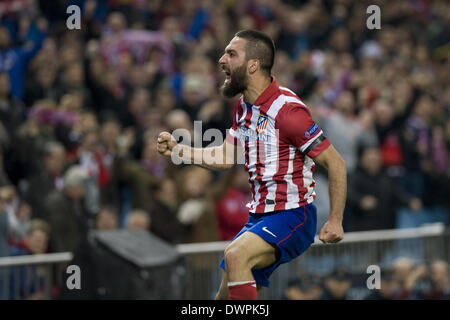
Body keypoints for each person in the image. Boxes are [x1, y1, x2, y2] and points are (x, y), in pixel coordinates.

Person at [157, 29, 347, 300]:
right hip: (259, 216)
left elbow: (336, 163)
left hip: (293, 214)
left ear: (253, 65)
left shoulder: (288, 111)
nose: (222, 60)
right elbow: (225, 157)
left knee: (235, 255)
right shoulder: (244, 107)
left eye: (231, 54)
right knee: (222, 298)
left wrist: (336, 220)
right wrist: (178, 151)